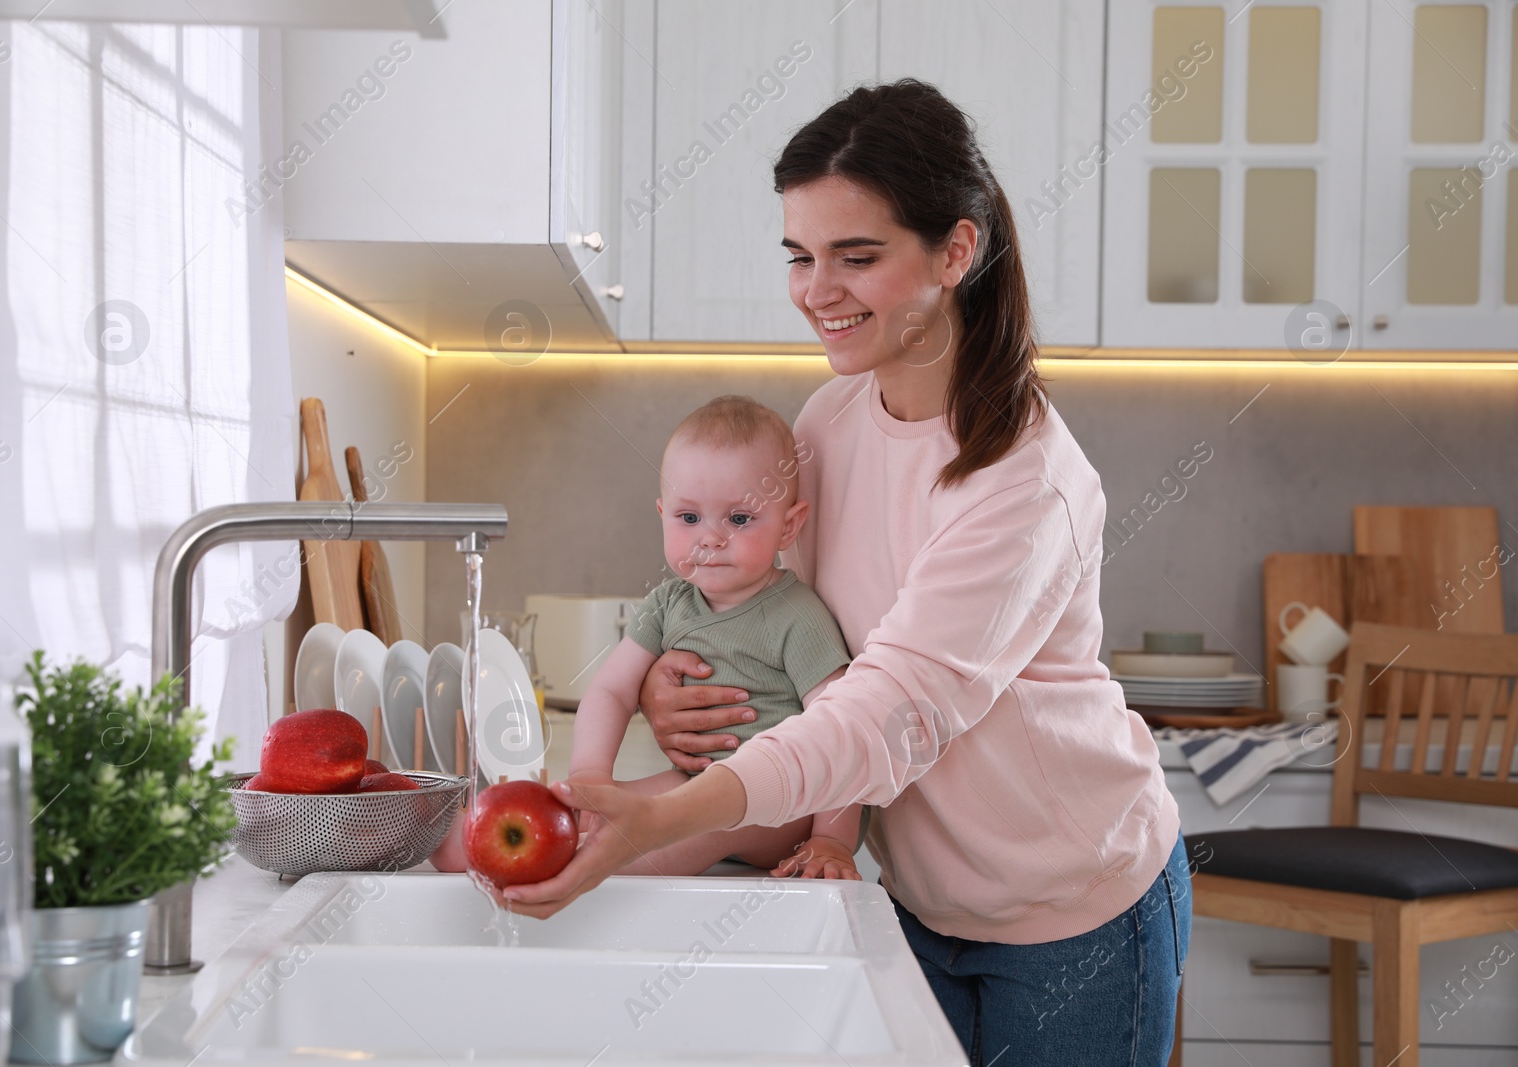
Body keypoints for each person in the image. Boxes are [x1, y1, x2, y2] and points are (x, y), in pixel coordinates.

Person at [505, 80, 1189, 1067]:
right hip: (916, 896)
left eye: (856, 256)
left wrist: (659, 814)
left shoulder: (1021, 476)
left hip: (1075, 903)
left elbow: (890, 709)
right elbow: (771, 605)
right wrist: (668, 673)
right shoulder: (827, 421)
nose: (816, 288)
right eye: (800, 254)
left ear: (955, 251)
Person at [566, 395, 863, 880]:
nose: (710, 538)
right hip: (695, 784)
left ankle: (603, 869)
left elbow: (843, 731)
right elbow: (610, 691)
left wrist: (831, 839)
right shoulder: (668, 604)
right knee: (592, 813)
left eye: (739, 519)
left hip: (783, 809)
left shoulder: (797, 616)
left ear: (789, 526)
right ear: (662, 514)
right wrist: (590, 777)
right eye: (689, 518)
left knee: (684, 831)